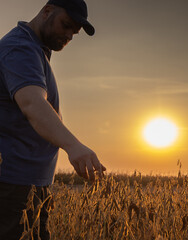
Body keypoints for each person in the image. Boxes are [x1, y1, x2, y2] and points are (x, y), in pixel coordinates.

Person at [0, 0, 106, 239]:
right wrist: (74, 146)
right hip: (12, 184)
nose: (68, 35)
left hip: (27, 183)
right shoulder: (20, 48)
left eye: (74, 33)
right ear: (47, 11)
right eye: (66, 25)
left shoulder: (35, 50)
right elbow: (33, 104)